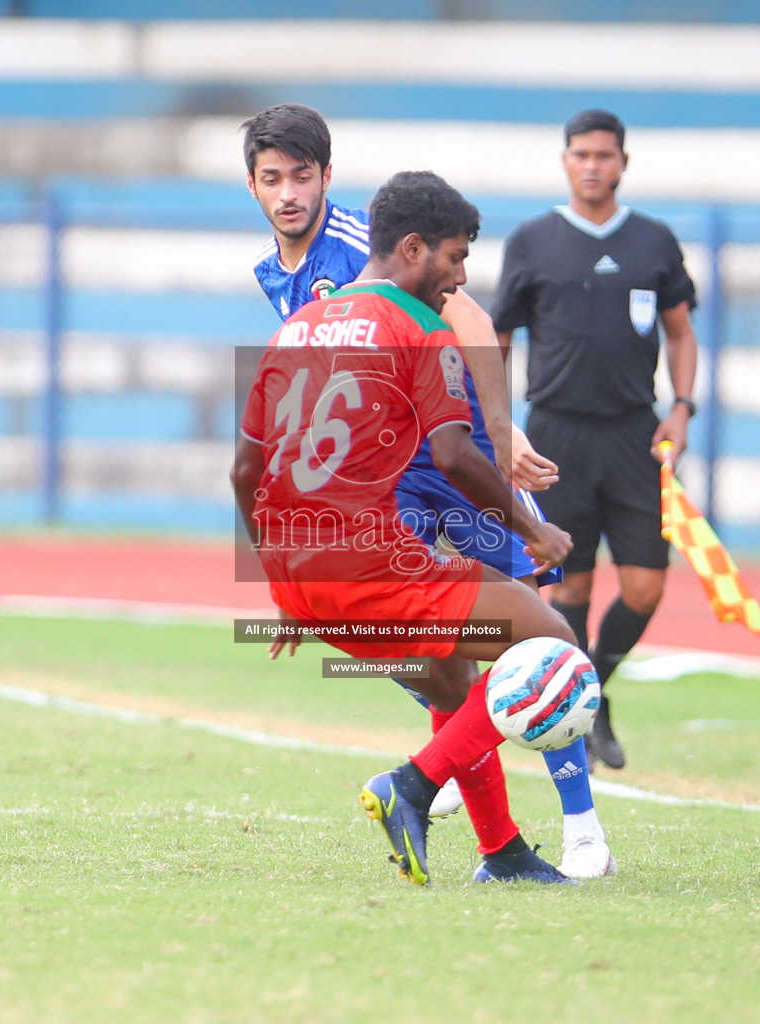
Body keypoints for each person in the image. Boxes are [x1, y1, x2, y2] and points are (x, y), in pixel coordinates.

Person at [241, 104, 614, 877]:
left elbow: (248, 470)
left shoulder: (298, 325)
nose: (462, 276)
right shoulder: (413, 317)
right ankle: (417, 784)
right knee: (554, 644)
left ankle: (503, 852)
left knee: (453, 674)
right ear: (415, 251)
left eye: (300, 175)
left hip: (306, 564)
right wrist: (527, 516)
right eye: (455, 258)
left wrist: (277, 584)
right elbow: (451, 445)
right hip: (398, 510)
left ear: (327, 179)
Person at [491, 109, 700, 771]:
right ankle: (579, 716)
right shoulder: (531, 240)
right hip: (556, 435)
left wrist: (684, 407)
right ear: (565, 161)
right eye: (581, 154)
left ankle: (596, 686)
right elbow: (498, 340)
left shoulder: (654, 241)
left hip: (636, 433)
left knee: (646, 586)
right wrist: (507, 426)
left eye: (604, 155)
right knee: (570, 589)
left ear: (622, 163)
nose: (592, 165)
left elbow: (681, 332)